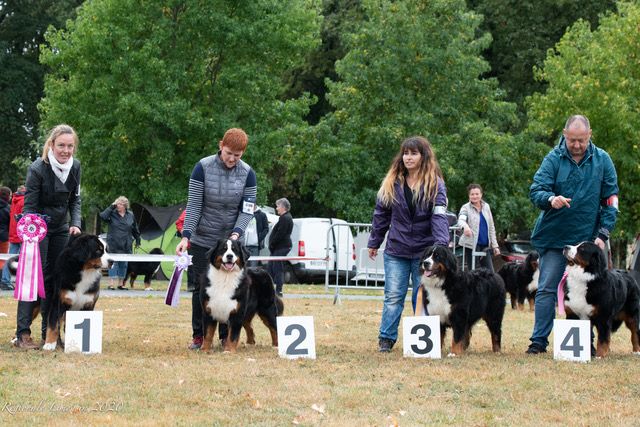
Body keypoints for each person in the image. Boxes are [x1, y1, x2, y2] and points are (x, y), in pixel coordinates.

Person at [526, 115, 618, 355]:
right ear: (565, 134)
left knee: (597, 291)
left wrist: (603, 234)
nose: (576, 145)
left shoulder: (603, 160)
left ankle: (588, 343)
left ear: (589, 136)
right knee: (546, 288)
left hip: (588, 243)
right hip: (556, 238)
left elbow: (611, 200)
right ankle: (538, 341)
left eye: (581, 140)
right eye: (572, 140)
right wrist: (550, 199)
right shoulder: (553, 159)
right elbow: (536, 190)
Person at [176, 128, 256, 350]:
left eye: (237, 156)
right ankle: (199, 336)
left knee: (230, 290)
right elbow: (193, 205)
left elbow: (247, 210)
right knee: (199, 289)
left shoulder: (248, 173)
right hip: (203, 239)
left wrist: (236, 233)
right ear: (221, 145)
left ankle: (225, 336)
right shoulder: (202, 167)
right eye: (229, 153)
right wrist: (186, 237)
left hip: (231, 241)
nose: (232, 159)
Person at [367, 136, 450, 353]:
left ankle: (423, 341)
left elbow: (439, 216)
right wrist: (374, 241)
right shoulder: (391, 182)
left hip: (425, 252)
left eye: (413, 153)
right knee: (393, 295)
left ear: (423, 156)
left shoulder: (436, 184)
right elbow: (381, 215)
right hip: (396, 249)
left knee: (421, 296)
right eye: (406, 153)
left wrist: (441, 245)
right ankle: (386, 338)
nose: (408, 157)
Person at [14, 124, 82, 349]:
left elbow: (75, 200)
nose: (66, 150)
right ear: (51, 145)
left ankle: (50, 334)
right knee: (35, 278)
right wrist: (31, 232)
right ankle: (23, 334)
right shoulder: (37, 169)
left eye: (70, 146)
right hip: (38, 227)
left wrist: (75, 223)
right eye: (61, 145)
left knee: (57, 278)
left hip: (62, 229)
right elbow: (30, 206)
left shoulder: (76, 167)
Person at [100, 196, 141, 290]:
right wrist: (111, 206)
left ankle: (121, 284)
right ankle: (111, 284)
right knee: (113, 264)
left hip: (126, 243)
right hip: (113, 243)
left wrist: (138, 239)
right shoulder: (111, 213)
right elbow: (102, 216)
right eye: (117, 203)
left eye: (120, 204)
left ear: (125, 206)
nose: (118, 205)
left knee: (124, 264)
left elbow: (135, 228)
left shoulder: (130, 215)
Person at [457, 183, 500, 271]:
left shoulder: (486, 206)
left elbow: (491, 226)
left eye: (477, 194)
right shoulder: (465, 208)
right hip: (471, 245)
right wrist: (465, 226)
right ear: (469, 195)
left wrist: (495, 246)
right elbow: (461, 220)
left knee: (490, 273)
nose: (475, 196)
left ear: (481, 194)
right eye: (472, 194)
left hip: (485, 246)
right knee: (473, 273)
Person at [1, 185, 25, 290]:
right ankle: (20, 282)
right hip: (21, 234)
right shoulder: (24, 201)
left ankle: (5, 280)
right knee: (24, 258)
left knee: (9, 258)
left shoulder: (14, 201)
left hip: (13, 234)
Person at [268, 198, 293, 296]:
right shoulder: (285, 217)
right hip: (278, 247)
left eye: (278, 206)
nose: (276, 208)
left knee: (277, 268)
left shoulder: (285, 218)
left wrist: (272, 244)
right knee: (270, 268)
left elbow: (280, 234)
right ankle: (269, 289)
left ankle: (279, 291)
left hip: (281, 247)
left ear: (283, 207)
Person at [0, 187, 11, 279]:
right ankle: (2, 279)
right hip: (3, 237)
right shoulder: (8, 208)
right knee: (3, 258)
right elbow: (10, 223)